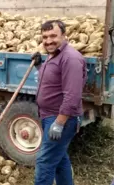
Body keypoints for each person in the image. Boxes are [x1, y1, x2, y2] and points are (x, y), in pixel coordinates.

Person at [32, 20, 86, 185]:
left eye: (53, 36)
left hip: (60, 118)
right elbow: (53, 79)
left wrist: (59, 123)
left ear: (64, 35)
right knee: (59, 158)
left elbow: (72, 95)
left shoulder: (70, 58)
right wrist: (40, 65)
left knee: (45, 162)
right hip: (49, 115)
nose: (48, 41)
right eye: (45, 37)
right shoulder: (54, 54)